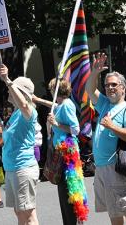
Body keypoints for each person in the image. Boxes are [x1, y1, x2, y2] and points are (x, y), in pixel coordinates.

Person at [85, 53, 126, 225]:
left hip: (116, 167)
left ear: (123, 88)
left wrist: (112, 126)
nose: (110, 88)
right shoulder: (104, 104)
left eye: (114, 85)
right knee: (113, 210)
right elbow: (89, 89)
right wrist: (95, 72)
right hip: (102, 167)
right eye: (107, 85)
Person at [33, 79, 85, 225]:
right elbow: (55, 105)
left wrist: (56, 124)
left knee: (68, 191)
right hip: (61, 151)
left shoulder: (67, 105)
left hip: (66, 153)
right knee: (64, 192)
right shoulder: (62, 104)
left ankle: (73, 222)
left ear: (55, 90)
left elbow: (75, 129)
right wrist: (38, 100)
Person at [0, 64, 39, 225]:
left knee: (27, 215)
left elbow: (24, 105)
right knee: (20, 212)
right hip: (13, 168)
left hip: (23, 168)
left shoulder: (29, 111)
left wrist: (8, 80)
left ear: (21, 93)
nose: (9, 90)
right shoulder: (15, 114)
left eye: (13, 88)